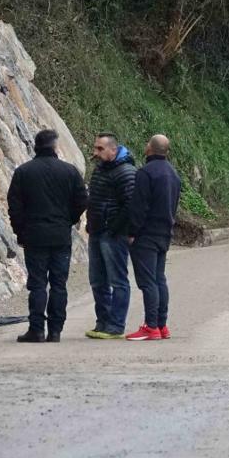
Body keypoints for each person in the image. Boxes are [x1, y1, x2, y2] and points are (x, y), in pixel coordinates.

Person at [6, 129, 88, 343]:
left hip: (34, 236)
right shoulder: (69, 171)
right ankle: (55, 330)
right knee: (59, 284)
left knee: (38, 284)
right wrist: (67, 220)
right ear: (55, 147)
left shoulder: (23, 172)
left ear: (36, 146)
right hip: (60, 235)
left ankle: (36, 329)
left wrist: (21, 231)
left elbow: (14, 206)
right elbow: (81, 200)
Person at [126, 135, 182, 341]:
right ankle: (161, 324)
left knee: (148, 281)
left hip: (146, 234)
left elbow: (139, 206)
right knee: (159, 279)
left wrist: (132, 232)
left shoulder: (145, 173)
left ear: (150, 148)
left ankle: (150, 326)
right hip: (164, 232)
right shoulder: (173, 174)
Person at [85, 133, 137, 339]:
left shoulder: (126, 172)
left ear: (113, 150)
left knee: (117, 280)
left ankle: (116, 325)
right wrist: (91, 224)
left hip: (113, 235)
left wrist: (116, 228)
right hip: (97, 232)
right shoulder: (100, 169)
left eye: (100, 149)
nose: (95, 152)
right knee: (97, 280)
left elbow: (131, 205)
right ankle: (102, 322)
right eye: (95, 148)